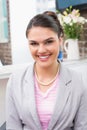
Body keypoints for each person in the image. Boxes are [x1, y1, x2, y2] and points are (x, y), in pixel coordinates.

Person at [6, 11, 87, 130]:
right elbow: (13, 126)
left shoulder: (77, 80)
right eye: (34, 44)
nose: (41, 50)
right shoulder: (15, 81)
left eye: (48, 42)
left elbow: (82, 126)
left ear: (60, 40)